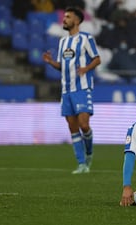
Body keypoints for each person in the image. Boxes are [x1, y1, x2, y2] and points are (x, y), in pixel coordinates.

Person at [42, 7, 101, 173]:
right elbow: (62, 66)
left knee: (84, 125)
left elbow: (97, 59)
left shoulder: (86, 39)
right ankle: (82, 163)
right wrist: (51, 62)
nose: (64, 19)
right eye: (64, 17)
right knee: (73, 128)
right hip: (66, 91)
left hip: (82, 88)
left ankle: (89, 151)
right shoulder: (63, 42)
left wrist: (85, 68)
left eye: (68, 17)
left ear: (77, 20)